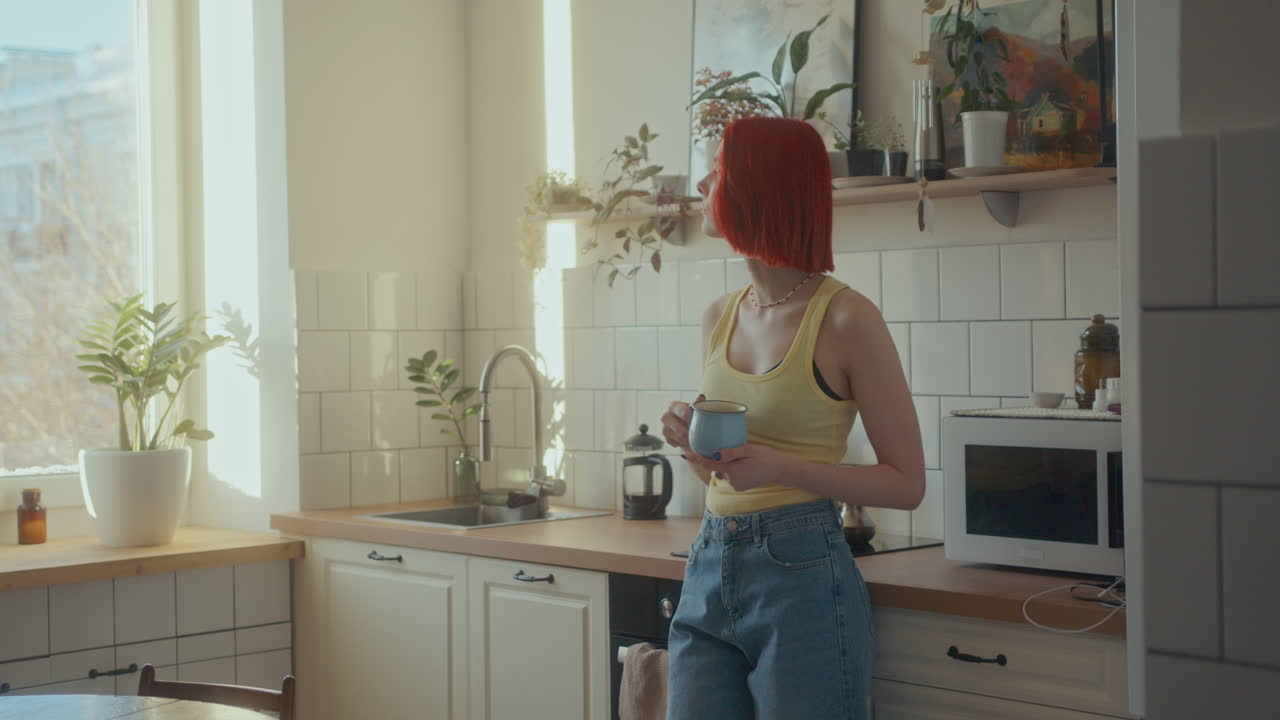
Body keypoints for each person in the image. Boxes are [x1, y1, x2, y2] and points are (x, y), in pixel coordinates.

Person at [661, 116, 926, 720]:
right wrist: (692, 446)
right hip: (708, 564)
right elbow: (725, 477)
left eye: (718, 170)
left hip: (801, 575)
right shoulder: (719, 315)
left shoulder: (847, 318)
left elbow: (907, 484)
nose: (702, 184)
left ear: (759, 187)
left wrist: (781, 467)